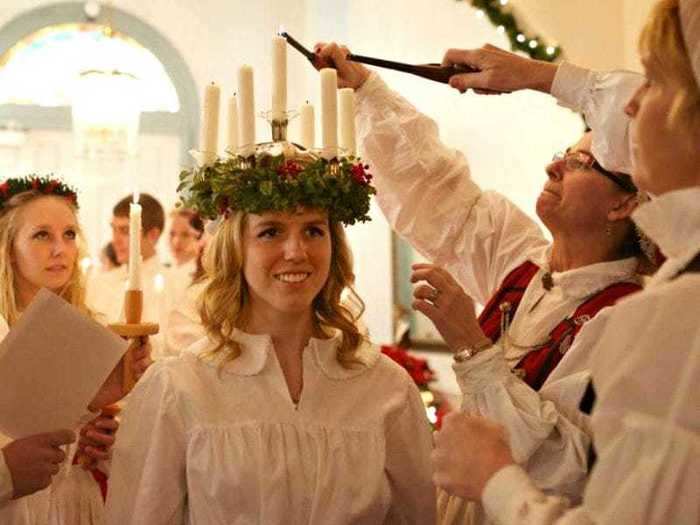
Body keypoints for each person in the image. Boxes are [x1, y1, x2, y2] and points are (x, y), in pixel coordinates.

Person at [315, 42, 649, 522]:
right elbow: (437, 188)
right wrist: (367, 89)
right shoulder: (521, 261)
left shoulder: (622, 318)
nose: (553, 166)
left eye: (580, 163)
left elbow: (561, 463)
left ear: (624, 205)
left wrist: (472, 345)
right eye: (563, 154)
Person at [432, 0, 700, 523]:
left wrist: (495, 479)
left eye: (656, 80)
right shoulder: (533, 270)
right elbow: (441, 198)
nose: (629, 105)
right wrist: (541, 76)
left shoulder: (664, 315)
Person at [105, 151, 435, 524]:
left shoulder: (385, 387)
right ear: (236, 249)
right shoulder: (180, 388)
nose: (296, 252)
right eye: (270, 232)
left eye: (313, 230)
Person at [0, 176, 152, 524]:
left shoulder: (91, 331)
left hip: (73, 504)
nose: (60, 249)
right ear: (8, 248)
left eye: (69, 235)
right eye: (42, 235)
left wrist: (102, 440)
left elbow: (126, 453)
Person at [87, 193, 172, 358]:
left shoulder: (175, 286)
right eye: (113, 229)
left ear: (153, 235)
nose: (115, 240)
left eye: (125, 231)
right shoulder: (99, 283)